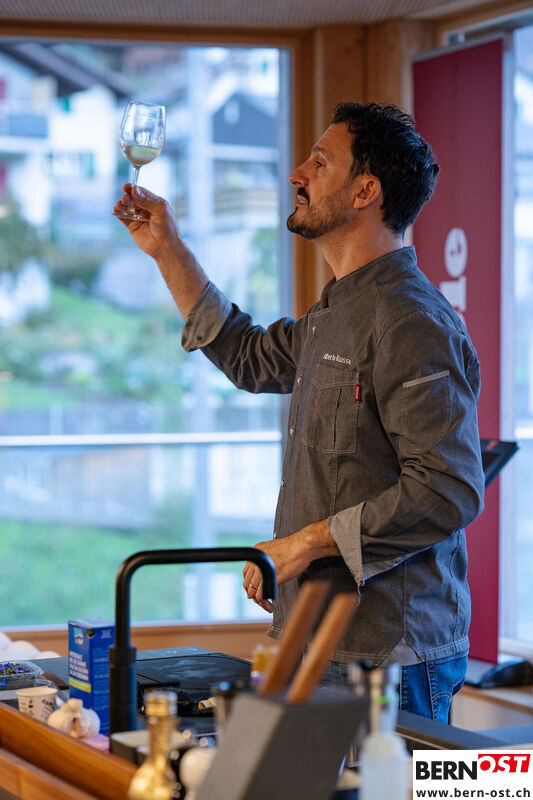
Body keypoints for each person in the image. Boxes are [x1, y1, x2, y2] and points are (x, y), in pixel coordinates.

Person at [114, 102, 485, 723]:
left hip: (383, 657)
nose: (297, 173)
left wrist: (305, 544)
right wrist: (167, 249)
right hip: (311, 640)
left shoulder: (411, 321)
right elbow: (247, 356)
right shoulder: (335, 311)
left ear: (365, 191)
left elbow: (447, 490)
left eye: (319, 161)